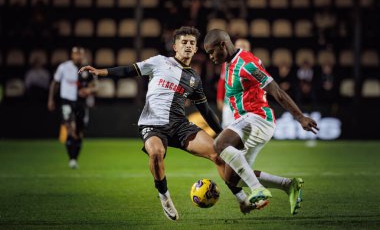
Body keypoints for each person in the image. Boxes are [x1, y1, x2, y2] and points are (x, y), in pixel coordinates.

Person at [78, 26, 273, 221]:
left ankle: (242, 199)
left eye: (192, 43)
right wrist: (100, 71)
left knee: (218, 153)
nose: (188, 46)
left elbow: (205, 111)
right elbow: (129, 70)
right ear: (175, 46)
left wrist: (223, 134)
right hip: (152, 123)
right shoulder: (159, 62)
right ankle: (164, 196)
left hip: (180, 125)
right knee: (156, 153)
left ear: (196, 49)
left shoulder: (194, 78)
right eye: (184, 42)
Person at [204, 29, 319, 215]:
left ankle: (257, 189)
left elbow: (276, 91)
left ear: (222, 45)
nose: (210, 57)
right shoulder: (231, 64)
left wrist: (300, 117)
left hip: (258, 118)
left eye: (211, 52)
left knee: (220, 143)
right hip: (248, 122)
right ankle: (289, 186)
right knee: (232, 178)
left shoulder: (246, 64)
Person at [47, 46, 97, 169]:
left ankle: (74, 158)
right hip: (67, 102)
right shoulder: (63, 67)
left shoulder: (87, 70)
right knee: (70, 128)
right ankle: (71, 158)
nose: (78, 56)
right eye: (76, 54)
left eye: (80, 54)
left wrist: (88, 90)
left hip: (81, 104)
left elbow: (95, 87)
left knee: (79, 132)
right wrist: (51, 99)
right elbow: (55, 82)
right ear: (72, 55)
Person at [217, 38, 251, 128]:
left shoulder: (253, 63)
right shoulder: (227, 63)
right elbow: (222, 81)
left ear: (249, 48)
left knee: (244, 130)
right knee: (227, 129)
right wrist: (219, 98)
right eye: (238, 46)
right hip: (229, 103)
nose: (241, 48)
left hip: (246, 103)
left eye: (244, 46)